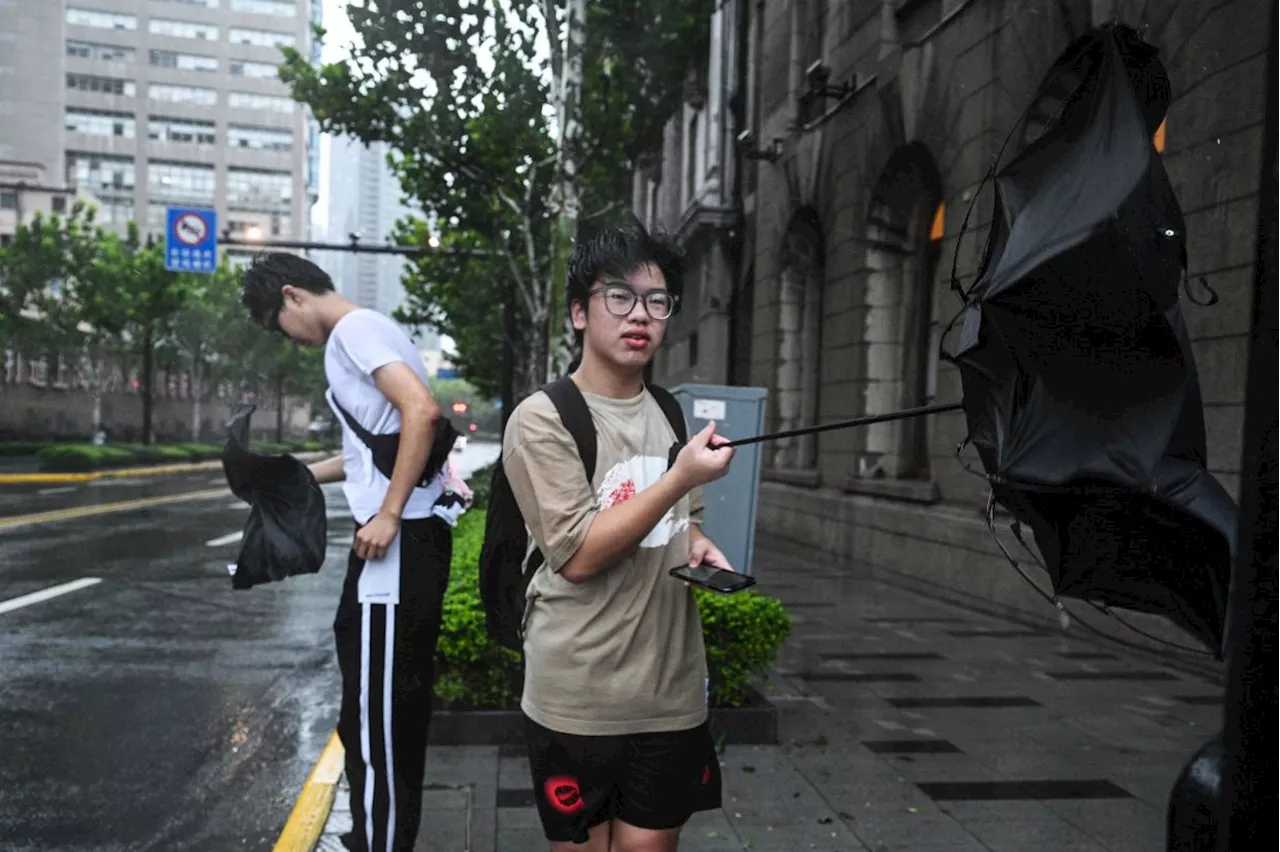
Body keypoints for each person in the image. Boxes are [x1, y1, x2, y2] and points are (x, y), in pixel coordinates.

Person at [502, 223, 738, 852]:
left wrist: (698, 545)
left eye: (657, 301)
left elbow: (683, 520)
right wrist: (679, 473)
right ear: (579, 312)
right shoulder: (543, 418)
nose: (641, 316)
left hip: (670, 691)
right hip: (577, 694)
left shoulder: (669, 410)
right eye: (620, 297)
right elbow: (577, 557)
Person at [239, 253, 452, 852]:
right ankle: (370, 835)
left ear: (293, 296)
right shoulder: (368, 330)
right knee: (368, 708)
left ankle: (382, 843)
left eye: (278, 321)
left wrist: (387, 512)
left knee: (382, 720)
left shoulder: (354, 331)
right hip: (396, 541)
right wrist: (295, 476)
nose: (289, 338)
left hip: (399, 540)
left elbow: (422, 412)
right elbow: (373, 451)